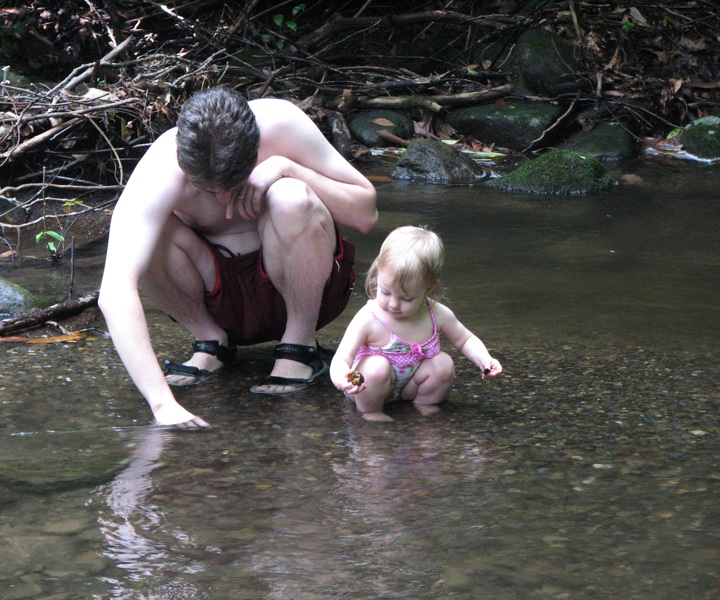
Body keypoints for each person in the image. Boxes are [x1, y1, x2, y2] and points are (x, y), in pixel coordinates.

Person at [98, 87, 378, 429]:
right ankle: (212, 341)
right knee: (147, 235)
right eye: (208, 190)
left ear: (255, 146)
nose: (225, 198)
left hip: (305, 284)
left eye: (234, 183)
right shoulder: (160, 168)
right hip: (219, 295)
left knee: (290, 196)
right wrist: (162, 404)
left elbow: (366, 214)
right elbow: (115, 291)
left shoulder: (281, 124)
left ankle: (299, 345)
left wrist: (288, 168)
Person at [329, 226, 502, 421]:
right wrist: (343, 377)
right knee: (376, 367)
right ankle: (371, 412)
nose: (393, 304)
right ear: (378, 270)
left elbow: (465, 339)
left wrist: (484, 359)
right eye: (385, 292)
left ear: (428, 288)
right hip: (367, 387)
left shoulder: (436, 314)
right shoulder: (369, 317)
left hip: (409, 386)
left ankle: (425, 405)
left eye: (407, 298)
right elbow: (341, 358)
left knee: (443, 364)